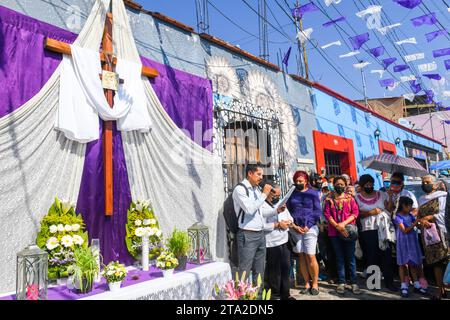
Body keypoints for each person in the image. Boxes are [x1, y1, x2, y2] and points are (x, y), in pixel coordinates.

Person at [232, 164, 286, 285]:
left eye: (262, 174)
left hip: (260, 234)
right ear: (250, 174)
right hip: (247, 234)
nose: (261, 177)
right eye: (259, 174)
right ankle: (242, 297)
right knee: (244, 270)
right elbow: (250, 209)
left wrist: (276, 210)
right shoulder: (240, 189)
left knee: (260, 270)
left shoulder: (256, 189)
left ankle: (259, 297)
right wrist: (264, 195)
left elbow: (260, 212)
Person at [355, 174, 397, 292]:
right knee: (371, 256)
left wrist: (389, 198)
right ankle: (374, 283)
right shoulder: (357, 197)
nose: (369, 186)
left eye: (371, 184)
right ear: (362, 186)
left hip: (382, 229)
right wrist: (370, 212)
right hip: (367, 230)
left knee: (386, 255)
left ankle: (389, 283)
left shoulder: (381, 194)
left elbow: (389, 209)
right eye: (366, 185)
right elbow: (356, 213)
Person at [323, 176, 361, 295]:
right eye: (337, 184)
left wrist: (343, 224)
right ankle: (341, 282)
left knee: (350, 257)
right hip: (334, 232)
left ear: (345, 185)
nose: (339, 186)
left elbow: (355, 213)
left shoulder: (350, 198)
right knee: (339, 257)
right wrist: (337, 226)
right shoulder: (328, 199)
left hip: (348, 231)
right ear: (333, 185)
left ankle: (354, 282)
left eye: (341, 184)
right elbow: (327, 214)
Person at [287, 171, 322, 295]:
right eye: (296, 181)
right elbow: (288, 211)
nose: (298, 183)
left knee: (311, 255)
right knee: (301, 255)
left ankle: (315, 283)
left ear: (306, 181)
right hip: (296, 228)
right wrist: (294, 226)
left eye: (300, 181)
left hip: (310, 228)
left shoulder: (313, 193)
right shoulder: (291, 194)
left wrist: (308, 225)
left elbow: (317, 211)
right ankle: (307, 283)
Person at [417, 175, 449, 300]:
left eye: (428, 182)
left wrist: (430, 217)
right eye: (423, 182)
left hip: (442, 233)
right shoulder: (421, 199)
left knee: (446, 261)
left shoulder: (442, 196)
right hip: (429, 236)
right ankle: (440, 291)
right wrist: (421, 221)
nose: (425, 184)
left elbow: (445, 214)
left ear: (435, 184)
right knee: (436, 263)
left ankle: (446, 288)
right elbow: (419, 216)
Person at [262, 185, 295, 300]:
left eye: (279, 195)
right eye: (274, 195)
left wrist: (289, 222)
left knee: (286, 268)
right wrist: (277, 225)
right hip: (271, 242)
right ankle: (275, 295)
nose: (277, 197)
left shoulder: (280, 204)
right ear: (267, 194)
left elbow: (290, 218)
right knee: (274, 271)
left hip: (284, 240)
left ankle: (286, 294)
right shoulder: (262, 206)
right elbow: (260, 226)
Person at [394, 196, 427, 298]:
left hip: (412, 242)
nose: (411, 208)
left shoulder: (410, 215)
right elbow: (405, 230)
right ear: (403, 205)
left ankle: (416, 284)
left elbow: (416, 225)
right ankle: (403, 285)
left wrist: (420, 223)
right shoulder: (398, 217)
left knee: (412, 263)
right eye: (409, 206)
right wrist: (415, 223)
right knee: (403, 264)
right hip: (403, 242)